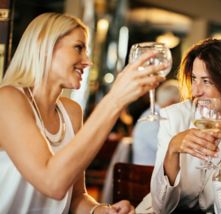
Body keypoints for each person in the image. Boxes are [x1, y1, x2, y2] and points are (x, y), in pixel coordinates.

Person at [0, 13, 166, 213]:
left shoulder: (71, 112)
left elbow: (77, 196)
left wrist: (100, 210)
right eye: (78, 48)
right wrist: (114, 100)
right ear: (45, 46)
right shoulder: (8, 99)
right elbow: (52, 183)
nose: (87, 61)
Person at [141, 36, 221, 213]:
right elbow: (161, 206)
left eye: (206, 81)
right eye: (194, 78)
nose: (195, 91)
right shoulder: (173, 117)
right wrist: (172, 149)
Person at [132, 79, 180, 165]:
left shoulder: (159, 114)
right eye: (180, 103)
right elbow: (168, 149)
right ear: (171, 103)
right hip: (146, 174)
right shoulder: (151, 121)